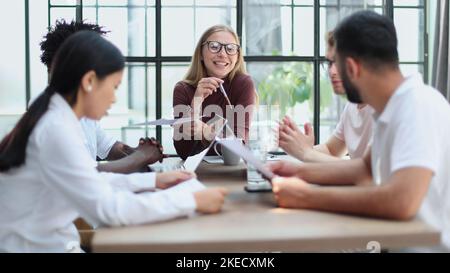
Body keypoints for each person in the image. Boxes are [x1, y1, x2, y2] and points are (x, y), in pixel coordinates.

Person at [0, 31, 227, 252]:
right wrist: (192, 201)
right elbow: (108, 209)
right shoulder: (56, 131)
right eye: (114, 86)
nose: (114, 98)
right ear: (89, 81)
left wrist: (155, 180)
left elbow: (91, 179)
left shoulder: (57, 118)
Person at [268, 11, 450, 250]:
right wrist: (296, 171)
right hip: (394, 241)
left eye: (336, 63)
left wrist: (305, 197)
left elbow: (402, 201)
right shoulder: (392, 107)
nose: (333, 72)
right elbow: (364, 169)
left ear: (352, 68)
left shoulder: (417, 106)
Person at [40, 19, 163, 174]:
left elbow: (107, 146)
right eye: (112, 86)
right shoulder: (52, 120)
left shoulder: (76, 110)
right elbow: (89, 175)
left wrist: (137, 152)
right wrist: (140, 157)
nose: (114, 98)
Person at [278, 31, 374, 163]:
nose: (332, 72)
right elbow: (331, 150)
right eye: (329, 63)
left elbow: (365, 173)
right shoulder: (352, 106)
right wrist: (299, 148)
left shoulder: (384, 108)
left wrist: (306, 152)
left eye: (339, 61)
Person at [172, 25, 257, 160]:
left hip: (230, 171)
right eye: (214, 46)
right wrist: (197, 101)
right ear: (200, 53)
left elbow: (238, 145)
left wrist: (206, 131)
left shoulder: (243, 84)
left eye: (230, 48)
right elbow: (183, 152)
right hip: (197, 173)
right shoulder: (183, 89)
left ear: (237, 56)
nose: (223, 54)